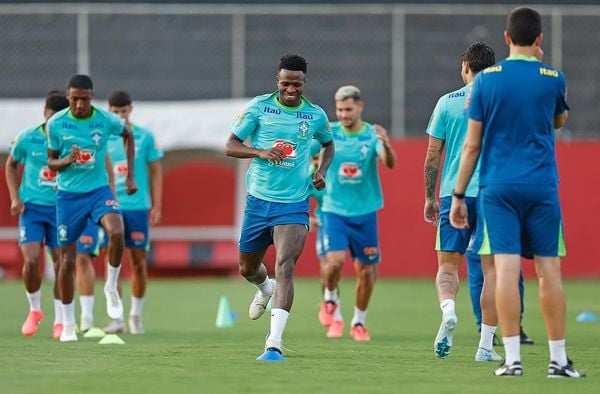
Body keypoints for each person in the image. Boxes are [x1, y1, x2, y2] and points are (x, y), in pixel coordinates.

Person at [450, 7, 584, 378]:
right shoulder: (553, 78)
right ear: (539, 40)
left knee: (505, 269)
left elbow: (472, 146)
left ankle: (511, 359)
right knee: (548, 270)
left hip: (498, 187)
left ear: (506, 38)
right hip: (541, 185)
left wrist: (458, 195)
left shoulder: (486, 81)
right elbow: (558, 121)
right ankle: (558, 361)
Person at [225, 54, 334, 361]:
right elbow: (230, 145)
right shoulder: (259, 107)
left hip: (294, 203)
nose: (290, 89)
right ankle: (264, 288)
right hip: (258, 202)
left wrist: (321, 172)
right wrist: (259, 151)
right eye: (285, 83)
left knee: (285, 265)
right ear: (277, 81)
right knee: (247, 267)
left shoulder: (315, 115)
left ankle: (273, 343)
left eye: (296, 84)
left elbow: (329, 144)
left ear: (304, 83)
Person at [47, 74, 137, 342]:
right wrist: (67, 159)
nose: (79, 104)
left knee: (117, 231)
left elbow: (128, 134)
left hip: (99, 191)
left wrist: (130, 176)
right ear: (68, 96)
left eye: (84, 99)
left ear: (92, 97)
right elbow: (51, 163)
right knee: (66, 260)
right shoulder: (56, 123)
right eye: (74, 99)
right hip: (68, 196)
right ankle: (67, 324)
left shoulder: (105, 119)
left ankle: (110, 286)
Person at [318, 85, 396, 341]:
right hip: (334, 210)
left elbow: (388, 162)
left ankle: (358, 322)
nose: (343, 114)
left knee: (366, 271)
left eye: (348, 109)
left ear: (359, 107)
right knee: (335, 262)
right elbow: (308, 158)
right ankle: (329, 296)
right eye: (339, 109)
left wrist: (386, 145)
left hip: (365, 213)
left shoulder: (372, 134)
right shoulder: (329, 132)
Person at [5, 90, 69, 339]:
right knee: (31, 260)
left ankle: (61, 320)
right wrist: (14, 197)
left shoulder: (69, 140)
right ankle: (35, 310)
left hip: (61, 209)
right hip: (31, 209)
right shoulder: (28, 137)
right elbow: (11, 164)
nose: (53, 123)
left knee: (62, 264)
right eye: (50, 117)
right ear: (45, 113)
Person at [101, 90, 164, 334]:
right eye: (115, 112)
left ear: (130, 110)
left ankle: (135, 315)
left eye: (123, 111)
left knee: (138, 262)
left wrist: (157, 205)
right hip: (109, 207)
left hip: (137, 207)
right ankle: (115, 318)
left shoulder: (144, 136)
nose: (119, 116)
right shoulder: (103, 137)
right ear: (109, 111)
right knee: (112, 263)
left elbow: (156, 171)